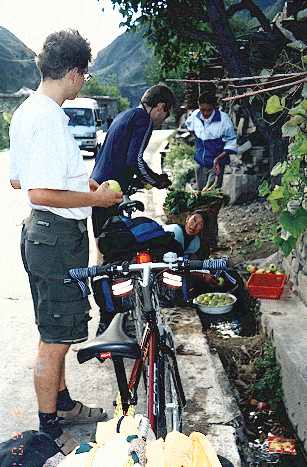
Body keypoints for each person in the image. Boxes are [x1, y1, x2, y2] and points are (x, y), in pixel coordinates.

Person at [9, 30, 123, 455]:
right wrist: (96, 198)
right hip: (55, 235)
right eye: (85, 75)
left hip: (46, 233)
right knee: (54, 339)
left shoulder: (26, 113)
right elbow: (38, 191)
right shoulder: (47, 117)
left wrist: (81, 183)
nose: (84, 82)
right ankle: (48, 429)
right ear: (74, 74)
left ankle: (63, 405)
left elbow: (22, 178)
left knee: (54, 328)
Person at [90, 83, 175, 241]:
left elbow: (118, 157)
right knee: (114, 244)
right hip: (109, 192)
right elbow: (135, 161)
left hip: (97, 188)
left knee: (103, 240)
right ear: (160, 107)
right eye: (166, 113)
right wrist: (157, 180)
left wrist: (139, 181)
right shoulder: (143, 119)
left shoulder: (125, 114)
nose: (164, 119)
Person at [186, 92, 237, 191]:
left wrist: (218, 159)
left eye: (209, 110)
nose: (205, 113)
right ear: (198, 106)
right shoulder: (195, 115)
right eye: (202, 110)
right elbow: (189, 127)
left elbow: (231, 142)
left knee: (213, 193)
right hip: (200, 163)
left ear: (214, 107)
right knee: (202, 193)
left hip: (216, 164)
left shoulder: (224, 119)